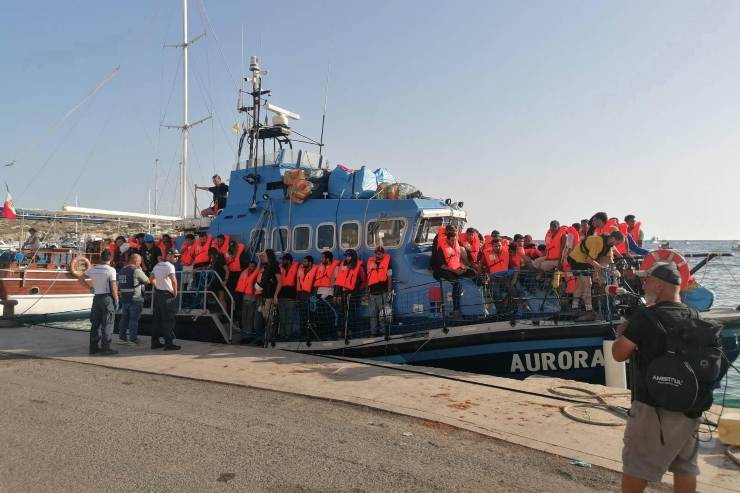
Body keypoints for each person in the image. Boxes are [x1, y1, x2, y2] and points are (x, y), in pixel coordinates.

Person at [611, 263, 713, 493]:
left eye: (646, 280)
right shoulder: (693, 314)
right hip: (688, 406)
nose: (643, 284)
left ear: (659, 284)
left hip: (651, 408)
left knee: (636, 465)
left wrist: (622, 333)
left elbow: (618, 354)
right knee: (685, 467)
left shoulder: (646, 317)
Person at [567, 230, 624, 321]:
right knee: (588, 284)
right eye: (617, 243)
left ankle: (574, 308)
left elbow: (610, 258)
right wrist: (601, 268)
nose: (616, 246)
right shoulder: (598, 241)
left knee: (580, 285)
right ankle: (589, 311)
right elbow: (589, 259)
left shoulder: (609, 245)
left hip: (584, 262)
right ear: (612, 238)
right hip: (577, 260)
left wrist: (615, 269)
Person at [82, 249, 119, 355]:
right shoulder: (111, 270)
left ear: (100, 258)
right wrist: (116, 299)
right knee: (108, 323)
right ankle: (106, 348)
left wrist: (90, 288)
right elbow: (113, 286)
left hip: (96, 297)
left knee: (95, 324)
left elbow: (80, 278)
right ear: (110, 258)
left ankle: (93, 348)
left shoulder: (93, 269)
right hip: (107, 298)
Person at [150, 248, 181, 350]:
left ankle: (155, 342)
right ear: (169, 256)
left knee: (157, 319)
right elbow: (174, 280)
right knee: (168, 319)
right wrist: (175, 292)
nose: (176, 258)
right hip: (167, 295)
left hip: (158, 294)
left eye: (177, 256)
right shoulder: (170, 266)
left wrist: (158, 286)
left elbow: (151, 279)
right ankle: (169, 343)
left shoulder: (157, 265)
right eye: (175, 256)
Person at [116, 253, 151, 345]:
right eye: (139, 262)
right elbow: (147, 281)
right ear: (136, 261)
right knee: (133, 320)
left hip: (124, 298)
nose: (140, 263)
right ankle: (133, 339)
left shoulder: (122, 270)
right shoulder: (136, 270)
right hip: (136, 298)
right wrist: (141, 270)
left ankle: (122, 338)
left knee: (124, 318)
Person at [334, 249, 366, 338]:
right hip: (343, 294)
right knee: (341, 313)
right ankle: (340, 332)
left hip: (352, 294)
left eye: (348, 256)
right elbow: (339, 281)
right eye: (346, 256)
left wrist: (356, 292)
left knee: (351, 314)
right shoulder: (342, 265)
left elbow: (363, 281)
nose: (346, 258)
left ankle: (350, 332)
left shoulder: (359, 266)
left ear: (353, 256)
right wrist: (337, 294)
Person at [366, 246, 392, 337]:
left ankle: (383, 332)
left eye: (380, 253)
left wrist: (389, 291)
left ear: (383, 253)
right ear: (375, 253)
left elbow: (389, 277)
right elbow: (368, 277)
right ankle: (373, 333)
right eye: (377, 253)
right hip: (372, 293)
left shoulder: (387, 263)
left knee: (383, 314)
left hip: (383, 293)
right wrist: (366, 291)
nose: (378, 254)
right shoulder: (370, 262)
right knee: (372, 315)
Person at [258, 249, 281, 341]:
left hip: (270, 296)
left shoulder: (275, 266)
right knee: (265, 317)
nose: (262, 258)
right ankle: (267, 337)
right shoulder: (266, 266)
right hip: (264, 295)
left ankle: (270, 338)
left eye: (264, 256)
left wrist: (275, 295)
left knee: (269, 318)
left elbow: (279, 282)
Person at [235, 260, 260, 343]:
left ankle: (248, 336)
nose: (250, 268)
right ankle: (244, 336)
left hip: (252, 299)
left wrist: (259, 259)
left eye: (252, 266)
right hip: (245, 297)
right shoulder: (246, 273)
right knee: (244, 318)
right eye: (250, 266)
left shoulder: (256, 275)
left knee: (249, 318)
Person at [276, 253, 299, 339]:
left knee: (289, 318)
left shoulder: (296, 268)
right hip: (281, 297)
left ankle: (288, 336)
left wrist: (297, 297)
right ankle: (282, 335)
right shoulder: (280, 268)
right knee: (282, 318)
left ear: (289, 261)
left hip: (291, 298)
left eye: (284, 260)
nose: (282, 261)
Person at [296, 255, 317, 337]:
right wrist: (297, 297)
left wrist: (313, 297)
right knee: (302, 317)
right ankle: (303, 335)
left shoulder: (314, 271)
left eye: (305, 261)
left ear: (310, 263)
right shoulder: (301, 271)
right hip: (301, 297)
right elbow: (298, 285)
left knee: (310, 317)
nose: (303, 263)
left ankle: (310, 335)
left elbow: (315, 285)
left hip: (309, 297)